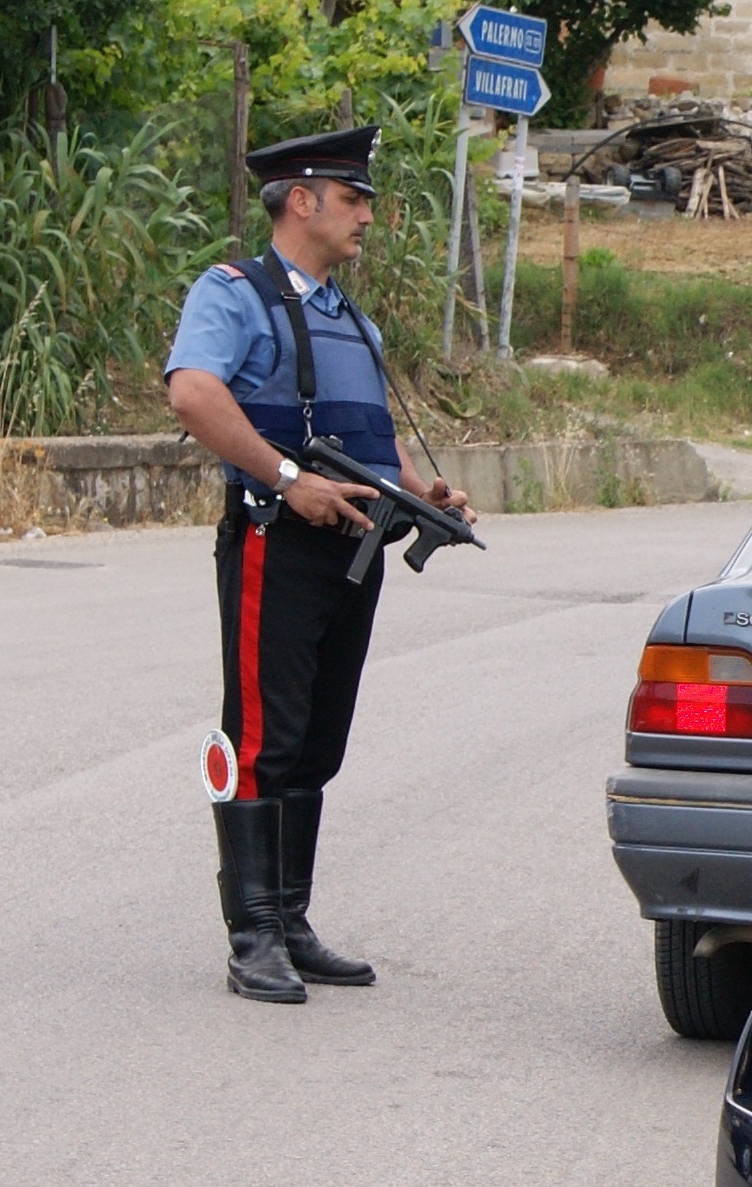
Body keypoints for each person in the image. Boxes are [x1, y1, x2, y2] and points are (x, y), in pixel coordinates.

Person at [162, 124, 473, 1004]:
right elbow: (193, 392)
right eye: (354, 198)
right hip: (278, 536)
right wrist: (288, 479)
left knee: (319, 741)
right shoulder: (234, 295)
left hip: (353, 543)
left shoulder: (350, 317)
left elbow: (368, 439)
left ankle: (291, 920)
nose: (368, 214)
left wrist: (422, 495)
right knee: (265, 736)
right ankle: (251, 933)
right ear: (301, 200)